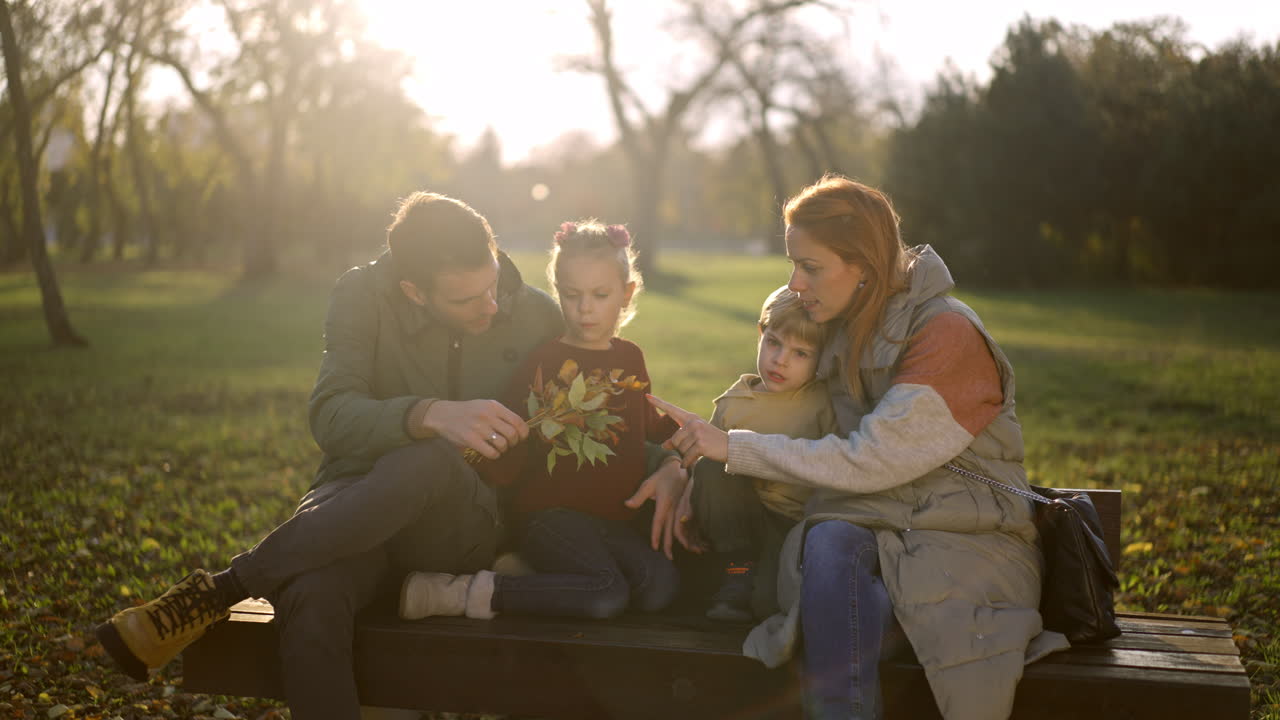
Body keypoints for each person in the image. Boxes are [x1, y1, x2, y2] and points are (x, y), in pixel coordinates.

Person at [94, 193, 689, 720]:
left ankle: (222, 588)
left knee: (431, 462)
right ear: (414, 291)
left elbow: (606, 408)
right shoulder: (361, 295)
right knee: (314, 596)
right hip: (353, 504)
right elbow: (329, 414)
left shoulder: (533, 309)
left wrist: (669, 463)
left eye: (493, 284)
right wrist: (426, 412)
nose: (491, 305)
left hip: (459, 523)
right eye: (468, 298)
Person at [648, 174, 1069, 720]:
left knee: (832, 571)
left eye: (811, 267)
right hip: (877, 529)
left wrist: (732, 448)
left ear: (865, 265)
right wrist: (684, 469)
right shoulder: (845, 325)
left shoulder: (946, 334)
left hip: (965, 542)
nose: (795, 283)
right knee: (827, 547)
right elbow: (777, 402)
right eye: (793, 264)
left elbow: (871, 456)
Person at [398, 220, 685, 621]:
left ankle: (537, 578)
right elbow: (508, 435)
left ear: (626, 293)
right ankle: (465, 592)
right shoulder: (546, 362)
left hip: (613, 522)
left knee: (659, 587)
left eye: (600, 295)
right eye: (572, 295)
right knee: (607, 594)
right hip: (551, 519)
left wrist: (685, 453)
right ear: (558, 293)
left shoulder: (629, 358)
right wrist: (492, 453)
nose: (585, 308)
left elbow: (648, 424)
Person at [681, 285, 837, 622]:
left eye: (801, 353)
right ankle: (736, 572)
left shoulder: (821, 404)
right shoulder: (734, 401)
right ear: (760, 334)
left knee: (766, 604)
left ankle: (741, 584)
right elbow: (702, 465)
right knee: (710, 468)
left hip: (787, 527)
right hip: (734, 522)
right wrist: (690, 501)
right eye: (774, 343)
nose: (780, 360)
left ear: (821, 358)